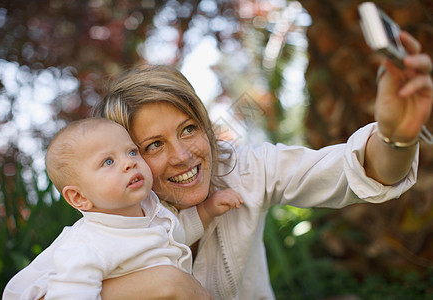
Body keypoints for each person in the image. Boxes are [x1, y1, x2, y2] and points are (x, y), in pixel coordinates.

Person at [92, 31, 431, 299]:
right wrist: (163, 286)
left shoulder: (245, 169)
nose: (182, 156)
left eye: (189, 129)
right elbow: (42, 288)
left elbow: (358, 170)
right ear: (126, 157)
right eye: (154, 145)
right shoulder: (107, 221)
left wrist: (395, 136)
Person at [2, 118, 241, 299]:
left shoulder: (150, 210)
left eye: (132, 151)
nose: (129, 162)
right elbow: (71, 294)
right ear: (78, 197)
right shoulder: (87, 245)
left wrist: (207, 210)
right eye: (108, 161)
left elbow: (174, 235)